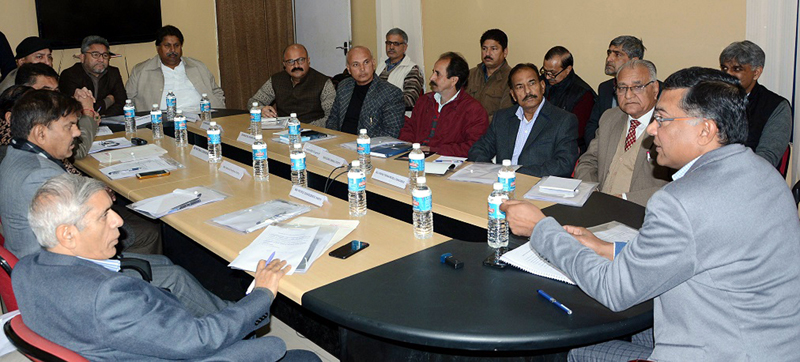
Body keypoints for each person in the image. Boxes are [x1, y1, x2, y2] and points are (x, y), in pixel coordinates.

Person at [501, 66, 800, 361]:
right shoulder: (765, 174)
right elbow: (696, 248)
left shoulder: (681, 201)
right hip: (766, 340)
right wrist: (607, 248)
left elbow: (614, 289)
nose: (652, 129)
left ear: (705, 130)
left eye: (662, 119)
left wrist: (541, 228)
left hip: (720, 348)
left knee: (576, 351)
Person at [13, 174, 320, 362]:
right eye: (105, 215)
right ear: (67, 234)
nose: (118, 220)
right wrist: (262, 293)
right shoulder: (107, 296)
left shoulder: (26, 269)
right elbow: (201, 339)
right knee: (305, 357)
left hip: (124, 344)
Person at [0, 90, 230, 318]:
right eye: (69, 126)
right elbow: (88, 234)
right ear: (40, 133)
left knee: (162, 261)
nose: (78, 132)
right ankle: (233, 322)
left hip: (46, 264)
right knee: (174, 276)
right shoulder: (39, 176)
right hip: (62, 279)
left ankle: (185, 314)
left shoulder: (17, 155)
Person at [574, 60, 671, 206]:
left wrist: (625, 199)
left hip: (643, 214)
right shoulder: (610, 118)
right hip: (598, 207)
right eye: (622, 88)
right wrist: (590, 190)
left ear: (655, 89)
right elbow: (588, 161)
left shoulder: (669, 125)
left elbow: (680, 184)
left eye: (637, 87)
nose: (628, 95)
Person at [467, 63, 578, 177]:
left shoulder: (563, 120)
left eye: (532, 83)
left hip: (537, 186)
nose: (528, 91)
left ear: (543, 86)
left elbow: (564, 165)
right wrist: (495, 173)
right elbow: (478, 151)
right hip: (501, 184)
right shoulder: (502, 118)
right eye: (520, 86)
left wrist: (516, 173)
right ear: (513, 95)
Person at [399, 52, 488, 157]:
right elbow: (409, 128)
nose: (431, 78)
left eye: (437, 74)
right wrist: (409, 145)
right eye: (433, 72)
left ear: (454, 80)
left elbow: (473, 147)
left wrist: (434, 150)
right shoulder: (424, 101)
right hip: (415, 156)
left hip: (447, 161)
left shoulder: (473, 110)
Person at [720, 40, 792, 169]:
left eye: (737, 69)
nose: (728, 74)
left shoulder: (776, 106)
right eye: (724, 68)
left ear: (756, 73)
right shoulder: (712, 99)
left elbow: (767, 158)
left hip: (750, 177)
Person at [126, 25, 225, 111]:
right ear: (158, 48)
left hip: (201, 118)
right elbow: (128, 99)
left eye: (176, 45)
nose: (172, 50)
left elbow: (217, 92)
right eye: (167, 46)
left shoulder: (197, 66)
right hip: (161, 122)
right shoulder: (141, 71)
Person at [15, 63, 100, 160]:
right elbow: (77, 152)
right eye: (45, 91)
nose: (53, 96)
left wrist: (74, 111)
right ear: (25, 90)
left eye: (56, 91)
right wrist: (87, 112)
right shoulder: (23, 116)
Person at [326, 46, 404, 137]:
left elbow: (391, 133)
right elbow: (333, 119)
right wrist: (333, 139)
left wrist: (359, 143)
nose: (362, 69)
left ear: (373, 63)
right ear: (348, 69)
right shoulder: (344, 86)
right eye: (356, 64)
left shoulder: (391, 93)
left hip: (367, 147)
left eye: (366, 62)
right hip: (339, 143)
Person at [249, 44, 334, 127]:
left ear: (308, 60)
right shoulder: (276, 80)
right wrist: (261, 109)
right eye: (290, 62)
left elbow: (332, 117)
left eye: (301, 60)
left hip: (313, 133)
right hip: (281, 132)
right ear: (284, 64)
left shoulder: (324, 83)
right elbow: (252, 102)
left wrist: (302, 128)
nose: (296, 65)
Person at [585, 36, 644, 146]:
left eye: (617, 54)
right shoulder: (605, 88)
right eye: (609, 53)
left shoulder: (651, 89)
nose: (609, 59)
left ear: (634, 61)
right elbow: (592, 125)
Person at [542, 46, 596, 152]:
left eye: (552, 73)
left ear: (568, 70)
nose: (548, 77)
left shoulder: (583, 94)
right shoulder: (542, 83)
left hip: (565, 147)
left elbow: (576, 133)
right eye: (545, 71)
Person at [59, 35, 127, 116]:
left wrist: (102, 117)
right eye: (95, 54)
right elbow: (78, 109)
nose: (101, 59)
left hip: (108, 120)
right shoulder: (69, 75)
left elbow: (122, 104)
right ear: (82, 57)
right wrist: (108, 101)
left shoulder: (113, 72)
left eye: (105, 55)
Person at [466, 29, 513, 121]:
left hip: (492, 132)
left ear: (505, 52)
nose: (487, 53)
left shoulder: (511, 78)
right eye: (484, 49)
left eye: (494, 49)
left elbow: (505, 115)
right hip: (465, 130)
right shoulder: (470, 74)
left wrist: (477, 125)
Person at [375, 28, 424, 111]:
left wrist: (381, 101)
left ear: (405, 47)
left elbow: (410, 100)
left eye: (396, 44)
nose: (391, 47)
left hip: (400, 117)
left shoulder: (412, 69)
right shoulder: (381, 65)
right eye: (388, 43)